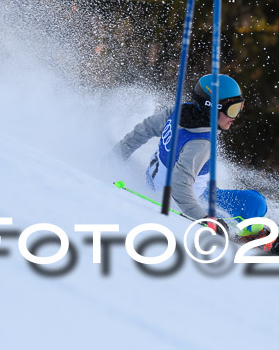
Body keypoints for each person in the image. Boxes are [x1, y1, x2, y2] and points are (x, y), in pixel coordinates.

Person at [112, 74, 266, 236]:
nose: (236, 116)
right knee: (255, 202)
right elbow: (179, 185)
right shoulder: (202, 143)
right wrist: (205, 219)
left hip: (156, 184)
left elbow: (144, 129)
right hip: (186, 201)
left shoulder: (179, 112)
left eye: (240, 108)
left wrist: (114, 156)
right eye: (233, 110)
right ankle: (249, 235)